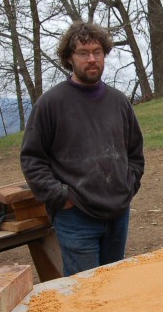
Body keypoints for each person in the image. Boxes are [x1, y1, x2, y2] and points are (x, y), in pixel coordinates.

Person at [20, 21, 144, 276]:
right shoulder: (51, 104)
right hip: (76, 218)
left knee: (114, 283)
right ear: (69, 58)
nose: (92, 59)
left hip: (117, 214)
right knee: (84, 294)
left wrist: (128, 186)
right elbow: (32, 159)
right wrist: (60, 196)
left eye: (97, 52)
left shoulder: (119, 102)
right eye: (83, 53)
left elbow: (135, 153)